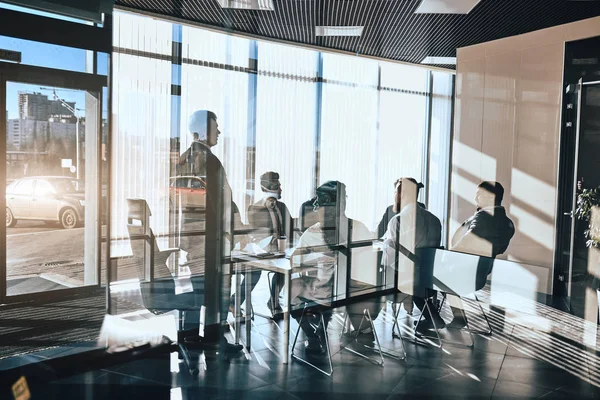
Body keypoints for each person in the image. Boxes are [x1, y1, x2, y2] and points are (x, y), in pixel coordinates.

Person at [177, 110, 244, 353]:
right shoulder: (210, 160)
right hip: (211, 240)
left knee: (198, 288)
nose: (219, 131)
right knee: (219, 291)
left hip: (193, 237)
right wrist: (234, 231)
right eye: (216, 127)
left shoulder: (184, 158)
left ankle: (190, 336)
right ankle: (216, 338)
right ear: (204, 130)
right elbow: (222, 202)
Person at [346, 177, 443, 338]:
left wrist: (385, 247)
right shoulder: (435, 220)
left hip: (405, 284)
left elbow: (388, 262)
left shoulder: (397, 221)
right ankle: (433, 317)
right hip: (430, 281)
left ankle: (364, 327)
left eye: (394, 192)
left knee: (359, 280)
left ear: (401, 194)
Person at [448, 181, 515, 328]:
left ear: (490, 197)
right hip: (481, 276)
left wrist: (446, 257)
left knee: (427, 276)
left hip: (463, 275)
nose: (475, 198)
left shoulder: (483, 217)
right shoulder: (507, 223)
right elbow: (500, 248)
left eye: (478, 194)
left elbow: (465, 242)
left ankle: (442, 318)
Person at [290, 181, 347, 354]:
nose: (315, 205)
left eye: (319, 201)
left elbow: (295, 261)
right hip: (352, 294)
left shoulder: (313, 232)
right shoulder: (356, 227)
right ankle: (321, 328)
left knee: (291, 292)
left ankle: (312, 335)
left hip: (324, 293)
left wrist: (314, 259)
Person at [243, 171, 293, 317]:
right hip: (264, 250)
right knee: (254, 272)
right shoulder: (255, 208)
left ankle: (274, 301)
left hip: (282, 250)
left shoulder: (282, 207)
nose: (280, 189)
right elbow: (258, 234)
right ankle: (236, 301)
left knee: (285, 269)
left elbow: (290, 227)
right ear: (268, 187)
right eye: (277, 186)